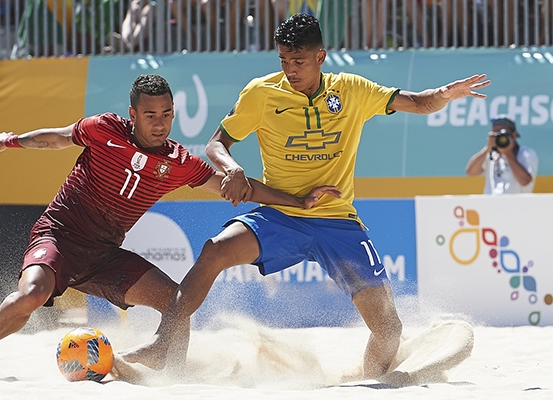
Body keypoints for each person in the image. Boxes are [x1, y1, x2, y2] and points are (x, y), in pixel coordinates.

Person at [123, 14, 490, 380]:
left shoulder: (351, 90)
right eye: (283, 60)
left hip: (338, 222)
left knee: (389, 329)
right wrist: (233, 169)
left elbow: (420, 102)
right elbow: (217, 144)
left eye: (298, 61)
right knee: (213, 250)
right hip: (281, 214)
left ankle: (371, 381)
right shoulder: (261, 93)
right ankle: (163, 341)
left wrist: (442, 95)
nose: (290, 69)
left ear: (320, 57)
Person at [0, 74, 336, 378]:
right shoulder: (104, 129)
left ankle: (169, 371)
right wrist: (14, 140)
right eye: (150, 115)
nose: (159, 123)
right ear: (133, 115)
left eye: (166, 115)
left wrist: (297, 200)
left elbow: (237, 189)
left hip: (104, 255)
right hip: (59, 236)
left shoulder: (180, 162)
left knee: (178, 301)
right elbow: (56, 138)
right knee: (32, 294)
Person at [465, 116, 538, 194]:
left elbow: (525, 181)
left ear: (514, 134)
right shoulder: (490, 153)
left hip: (517, 204)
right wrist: (487, 149)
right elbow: (471, 172)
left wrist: (508, 154)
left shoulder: (526, 153)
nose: (500, 137)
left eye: (503, 133)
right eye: (496, 134)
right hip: (492, 204)